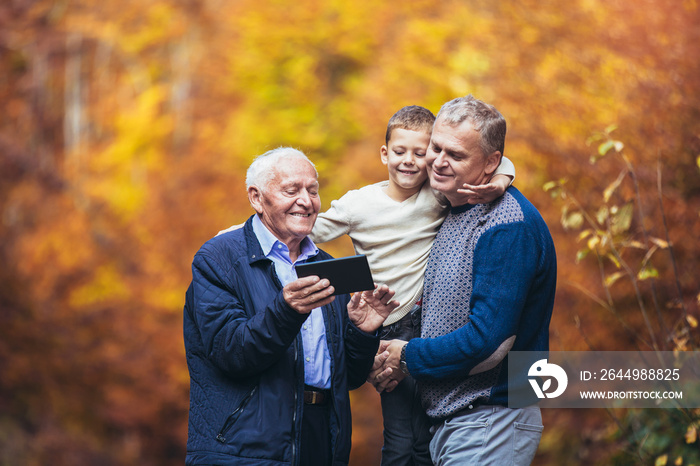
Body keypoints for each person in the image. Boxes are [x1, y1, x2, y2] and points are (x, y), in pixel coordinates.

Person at [216, 106, 516, 465]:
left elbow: (492, 160)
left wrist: (501, 180)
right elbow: (301, 227)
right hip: (385, 323)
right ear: (384, 154)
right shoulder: (359, 204)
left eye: (421, 153)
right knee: (401, 433)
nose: (410, 162)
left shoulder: (436, 196)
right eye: (400, 152)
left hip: (428, 322)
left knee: (431, 430)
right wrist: (240, 233)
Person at [183, 147, 400, 465]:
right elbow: (231, 353)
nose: (306, 200)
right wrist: (287, 311)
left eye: (313, 190)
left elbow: (348, 378)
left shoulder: (328, 266)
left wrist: (361, 331)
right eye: (291, 190)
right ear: (256, 198)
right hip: (244, 448)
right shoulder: (218, 258)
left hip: (320, 440)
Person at [374, 95, 557, 465]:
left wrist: (405, 355)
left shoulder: (505, 225)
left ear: (491, 163)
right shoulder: (451, 208)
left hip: (492, 418)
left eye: (455, 155)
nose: (438, 162)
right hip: (454, 424)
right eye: (435, 148)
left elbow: (489, 342)